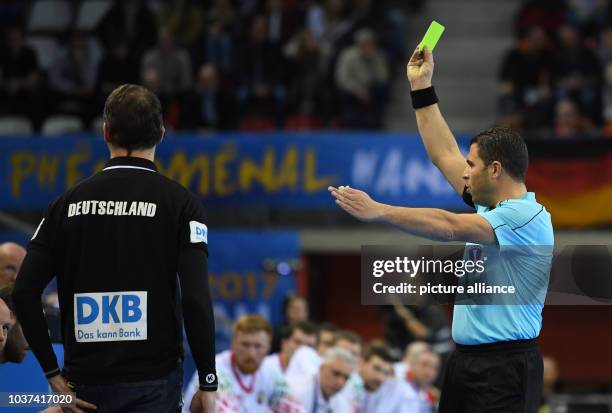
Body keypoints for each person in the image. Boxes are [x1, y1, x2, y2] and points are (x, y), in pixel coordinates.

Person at [329, 45, 554, 413]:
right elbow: (442, 154)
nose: (465, 172)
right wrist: (422, 87)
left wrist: (380, 210)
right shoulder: (491, 205)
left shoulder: (525, 219)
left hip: (505, 368)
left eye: (473, 165)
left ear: (495, 170)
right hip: (465, 361)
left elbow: (449, 226)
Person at [12, 84, 217, 413]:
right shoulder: (182, 204)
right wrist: (207, 381)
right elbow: (195, 299)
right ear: (161, 134)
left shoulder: (65, 205)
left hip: (83, 388)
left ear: (105, 132)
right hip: (154, 384)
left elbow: (23, 291)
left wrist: (53, 375)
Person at [183, 314, 303, 413]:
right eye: (245, 344)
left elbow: (297, 409)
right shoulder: (216, 370)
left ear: (268, 347)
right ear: (233, 343)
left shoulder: (269, 372)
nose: (251, 353)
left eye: (258, 346)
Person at [337, 340, 418, 413]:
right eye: (376, 369)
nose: (381, 378)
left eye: (386, 373)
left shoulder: (387, 388)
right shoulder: (343, 384)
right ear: (361, 362)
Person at [288, 346, 356, 412]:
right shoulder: (295, 391)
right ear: (322, 367)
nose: (340, 382)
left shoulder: (343, 406)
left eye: (346, 378)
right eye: (336, 373)